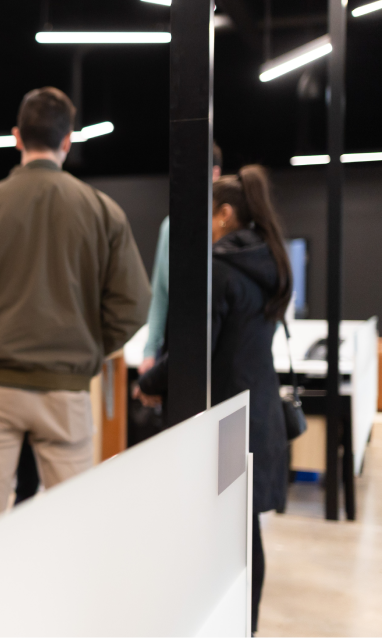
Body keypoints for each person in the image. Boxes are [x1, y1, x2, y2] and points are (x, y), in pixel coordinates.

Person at [0, 87, 151, 530]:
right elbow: (134, 303)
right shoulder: (103, 211)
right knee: (74, 526)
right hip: (65, 389)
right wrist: (87, 348)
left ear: (16, 137)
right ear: (68, 141)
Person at [135, 166, 291, 633]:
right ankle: (246, 627)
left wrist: (149, 382)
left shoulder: (218, 270)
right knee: (246, 536)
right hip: (260, 419)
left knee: (210, 538)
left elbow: (190, 352)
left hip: (222, 424)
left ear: (224, 215)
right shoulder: (270, 265)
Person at [140, 143, 223, 374]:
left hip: (222, 358)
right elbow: (160, 293)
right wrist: (149, 351)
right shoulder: (171, 226)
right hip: (179, 351)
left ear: (215, 173)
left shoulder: (232, 229)